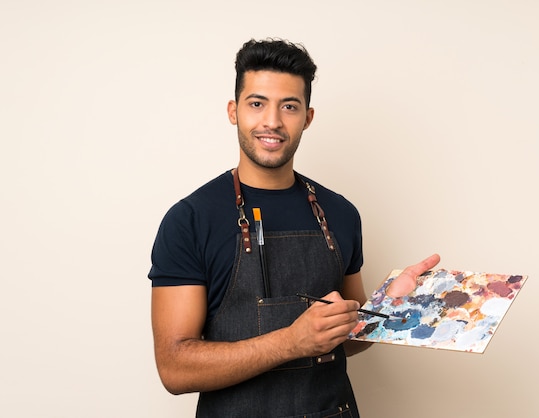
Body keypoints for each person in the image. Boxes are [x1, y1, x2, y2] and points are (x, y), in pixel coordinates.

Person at [148, 38, 441, 417]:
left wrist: (392, 303)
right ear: (233, 111)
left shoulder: (341, 213)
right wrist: (291, 341)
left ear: (307, 117)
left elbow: (348, 335)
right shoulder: (189, 220)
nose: (272, 121)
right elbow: (174, 368)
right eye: (257, 104)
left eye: (289, 106)